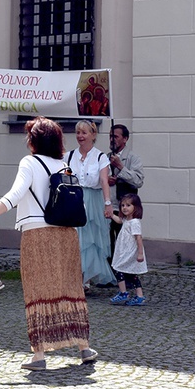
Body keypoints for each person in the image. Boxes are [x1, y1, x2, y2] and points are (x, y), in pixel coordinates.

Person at [0, 116, 98, 371]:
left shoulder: (29, 162)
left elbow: (15, 195)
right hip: (66, 234)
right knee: (71, 287)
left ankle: (39, 355)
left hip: (38, 234)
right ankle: (84, 346)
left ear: (34, 140)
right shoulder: (64, 164)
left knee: (38, 290)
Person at [66, 120, 116, 289]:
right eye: (78, 132)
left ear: (93, 135)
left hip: (92, 200)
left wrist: (107, 203)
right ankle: (74, 277)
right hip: (74, 199)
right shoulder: (69, 156)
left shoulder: (100, 157)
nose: (80, 136)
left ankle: (85, 278)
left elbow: (103, 180)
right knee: (74, 238)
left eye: (84, 132)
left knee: (90, 240)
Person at [107, 124, 144, 264]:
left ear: (125, 139)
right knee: (109, 242)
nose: (112, 139)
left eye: (115, 136)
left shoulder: (133, 158)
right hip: (110, 205)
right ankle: (113, 273)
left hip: (126, 209)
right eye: (110, 136)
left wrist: (121, 168)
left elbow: (138, 181)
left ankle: (128, 272)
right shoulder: (105, 157)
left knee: (126, 243)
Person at [108, 194, 148, 306]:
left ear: (136, 207)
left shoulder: (134, 222)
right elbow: (119, 221)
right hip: (125, 250)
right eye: (123, 205)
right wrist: (111, 215)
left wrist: (140, 253)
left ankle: (123, 292)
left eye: (128, 205)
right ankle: (139, 296)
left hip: (130, 252)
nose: (124, 208)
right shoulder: (126, 220)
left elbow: (138, 238)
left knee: (118, 267)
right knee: (130, 273)